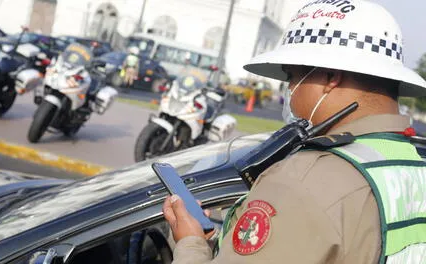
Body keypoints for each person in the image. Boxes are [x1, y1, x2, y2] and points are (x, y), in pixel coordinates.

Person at [162, 0, 426, 263]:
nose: (290, 89)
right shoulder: (412, 165)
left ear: (329, 77)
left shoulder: (303, 181)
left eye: (291, 76)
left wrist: (191, 244)